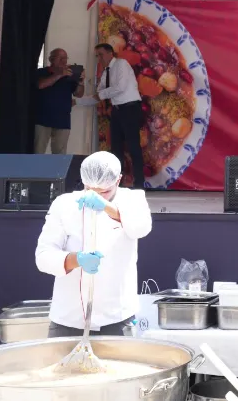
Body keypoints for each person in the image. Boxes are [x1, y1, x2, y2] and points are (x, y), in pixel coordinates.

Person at [35, 150, 152, 337]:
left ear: (118, 180)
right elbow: (43, 256)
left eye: (105, 191)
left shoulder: (133, 199)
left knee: (119, 367)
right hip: (68, 318)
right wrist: (76, 260)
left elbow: (140, 228)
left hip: (117, 317)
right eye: (91, 190)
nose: (98, 195)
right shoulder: (64, 204)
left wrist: (108, 208)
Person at [95, 42, 145, 187]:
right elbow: (99, 92)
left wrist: (101, 94)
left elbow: (120, 88)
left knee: (133, 146)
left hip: (130, 108)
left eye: (101, 55)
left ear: (111, 53)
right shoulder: (106, 71)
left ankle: (139, 183)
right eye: (97, 56)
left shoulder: (121, 64)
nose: (99, 58)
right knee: (115, 147)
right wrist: (79, 102)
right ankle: (116, 183)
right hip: (117, 110)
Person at [34, 48, 84, 155]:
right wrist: (60, 74)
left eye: (65, 58)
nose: (64, 61)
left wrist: (80, 82)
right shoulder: (42, 72)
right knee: (38, 152)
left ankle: (58, 173)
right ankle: (35, 171)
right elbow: (41, 85)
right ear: (51, 59)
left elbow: (78, 94)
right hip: (43, 119)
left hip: (63, 120)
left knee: (60, 155)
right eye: (60, 58)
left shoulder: (70, 76)